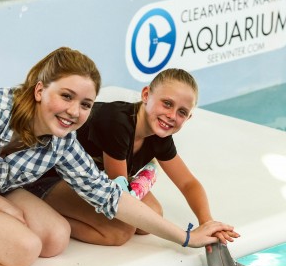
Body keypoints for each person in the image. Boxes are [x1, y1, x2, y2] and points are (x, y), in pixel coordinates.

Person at [0, 47, 236, 266]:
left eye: (85, 104)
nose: (74, 111)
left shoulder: (63, 140)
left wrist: (187, 237)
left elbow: (109, 195)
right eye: (66, 96)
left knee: (54, 239)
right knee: (22, 251)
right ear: (40, 90)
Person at [32, 68, 239, 246]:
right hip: (50, 175)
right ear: (146, 95)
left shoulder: (159, 133)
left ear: (189, 117)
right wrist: (187, 237)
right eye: (167, 103)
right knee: (120, 231)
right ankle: (50, 214)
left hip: (94, 179)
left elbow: (188, 183)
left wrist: (207, 222)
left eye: (182, 112)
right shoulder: (117, 123)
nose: (171, 115)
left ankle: (74, 212)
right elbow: (121, 198)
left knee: (153, 215)